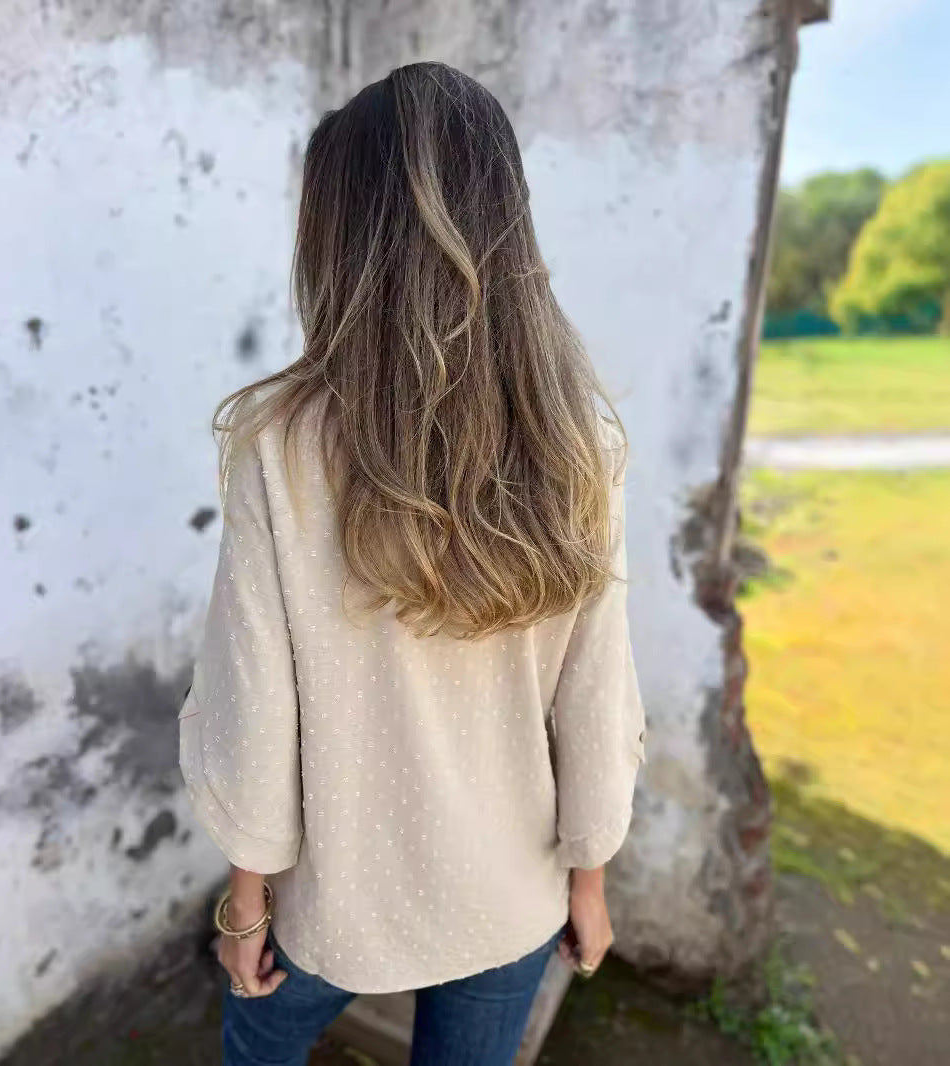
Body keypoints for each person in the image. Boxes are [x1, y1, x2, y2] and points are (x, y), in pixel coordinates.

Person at [178, 60, 646, 1066]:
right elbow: (597, 698)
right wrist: (590, 882)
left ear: (336, 236)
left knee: (258, 1051)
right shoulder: (580, 445)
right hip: (509, 890)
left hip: (337, 894)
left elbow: (252, 708)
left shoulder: (282, 446)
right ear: (508, 221)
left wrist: (245, 905)